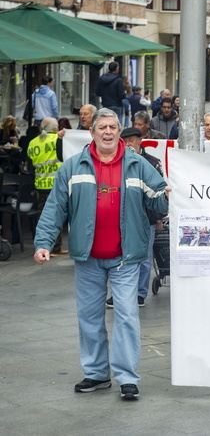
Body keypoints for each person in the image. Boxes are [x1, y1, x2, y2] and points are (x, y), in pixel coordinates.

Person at [33, 108, 170, 400]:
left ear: (119, 132)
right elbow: (55, 208)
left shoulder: (137, 165)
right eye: (102, 127)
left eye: (113, 127)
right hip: (89, 258)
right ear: (92, 132)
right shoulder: (72, 167)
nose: (108, 132)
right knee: (89, 318)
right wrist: (43, 243)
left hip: (126, 257)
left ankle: (127, 378)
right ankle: (96, 374)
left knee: (127, 316)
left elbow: (160, 201)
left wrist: (166, 196)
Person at [106, 127, 166, 309]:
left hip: (146, 218)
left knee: (144, 257)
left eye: (132, 140)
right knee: (120, 255)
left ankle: (140, 293)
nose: (128, 144)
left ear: (140, 140)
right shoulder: (117, 162)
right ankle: (119, 293)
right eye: (125, 141)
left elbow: (159, 191)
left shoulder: (152, 162)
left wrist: (158, 220)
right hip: (123, 217)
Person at [28, 117, 66, 256]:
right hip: (55, 184)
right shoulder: (58, 139)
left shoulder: (33, 142)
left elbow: (30, 163)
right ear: (55, 128)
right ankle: (56, 248)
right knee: (57, 215)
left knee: (43, 216)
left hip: (40, 184)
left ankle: (42, 245)